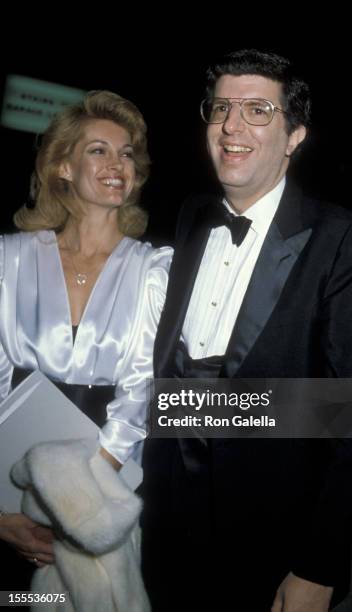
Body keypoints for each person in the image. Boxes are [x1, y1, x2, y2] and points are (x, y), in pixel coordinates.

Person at [140, 50, 352, 611]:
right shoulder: (192, 215)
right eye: (222, 107)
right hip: (169, 527)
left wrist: (318, 566)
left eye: (257, 110)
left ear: (295, 134)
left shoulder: (344, 238)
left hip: (274, 538)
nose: (232, 125)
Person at [0, 90, 171, 590]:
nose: (118, 164)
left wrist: (81, 506)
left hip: (106, 498)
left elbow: (141, 392)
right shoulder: (8, 259)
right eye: (99, 150)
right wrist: (5, 512)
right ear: (62, 168)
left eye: (127, 154)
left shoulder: (154, 268)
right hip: (11, 486)